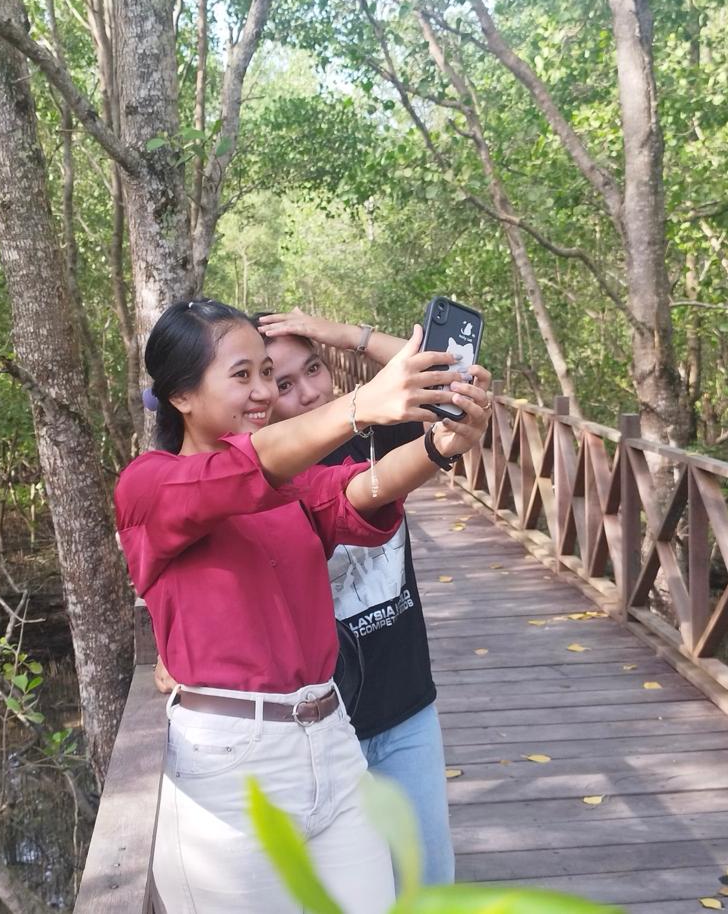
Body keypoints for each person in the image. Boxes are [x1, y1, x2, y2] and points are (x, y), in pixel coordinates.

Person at [115, 298, 489, 914]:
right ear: (181, 396)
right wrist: (362, 404)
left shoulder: (284, 487)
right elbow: (235, 475)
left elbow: (355, 488)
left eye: (268, 373)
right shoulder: (150, 484)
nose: (264, 391)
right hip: (233, 768)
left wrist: (440, 447)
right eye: (243, 375)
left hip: (330, 742)